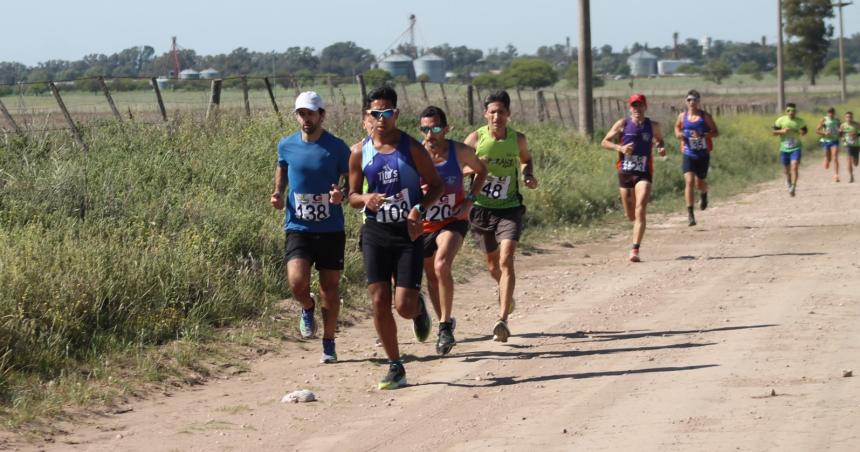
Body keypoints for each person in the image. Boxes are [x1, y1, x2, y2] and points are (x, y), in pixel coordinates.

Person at [347, 86, 443, 390]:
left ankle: (418, 308)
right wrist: (366, 198)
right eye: (375, 113)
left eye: (387, 112)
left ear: (396, 114)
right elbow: (352, 196)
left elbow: (437, 186)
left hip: (407, 233)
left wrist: (418, 209)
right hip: (375, 231)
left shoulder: (412, 148)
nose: (381, 118)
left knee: (404, 306)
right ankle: (395, 365)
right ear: (367, 115)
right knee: (378, 299)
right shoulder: (359, 152)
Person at [271, 92, 350, 364]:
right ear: (297, 116)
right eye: (301, 113)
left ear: (321, 115)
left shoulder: (337, 147)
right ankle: (307, 305)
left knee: (330, 287)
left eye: (311, 113)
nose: (306, 118)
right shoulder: (286, 145)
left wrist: (343, 194)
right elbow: (282, 168)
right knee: (296, 282)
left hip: (331, 229)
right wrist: (278, 192)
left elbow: (351, 177)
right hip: (298, 226)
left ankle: (329, 341)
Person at [464, 90, 538, 343]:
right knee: (493, 266)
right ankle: (507, 292)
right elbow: (457, 168)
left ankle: (502, 319)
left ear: (508, 114)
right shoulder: (475, 139)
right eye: (493, 112)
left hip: (510, 208)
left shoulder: (518, 139)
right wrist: (476, 166)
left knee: (506, 259)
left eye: (501, 112)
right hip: (481, 208)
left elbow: (526, 160)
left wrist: (528, 175)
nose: (497, 116)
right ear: (485, 114)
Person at [418, 106, 487, 355]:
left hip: (452, 220)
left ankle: (445, 326)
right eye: (425, 129)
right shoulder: (415, 154)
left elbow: (482, 170)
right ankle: (443, 324)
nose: (430, 134)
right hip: (424, 225)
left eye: (435, 128)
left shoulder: (459, 151)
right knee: (431, 278)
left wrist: (470, 200)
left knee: (441, 265)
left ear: (446, 129)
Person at [601, 93, 666, 262]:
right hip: (625, 171)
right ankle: (634, 225)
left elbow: (660, 140)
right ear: (630, 108)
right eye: (634, 105)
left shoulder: (653, 126)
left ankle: (635, 249)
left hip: (644, 171)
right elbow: (604, 142)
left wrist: (660, 148)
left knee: (640, 208)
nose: (637, 108)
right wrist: (620, 148)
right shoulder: (623, 124)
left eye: (640, 105)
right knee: (630, 215)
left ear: (645, 107)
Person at [673, 89, 718, 226]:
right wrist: (679, 134)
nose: (691, 102)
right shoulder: (682, 116)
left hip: (702, 154)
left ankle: (704, 193)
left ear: (698, 101)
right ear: (686, 101)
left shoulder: (705, 117)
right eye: (689, 100)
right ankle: (690, 215)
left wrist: (703, 135)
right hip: (688, 153)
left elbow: (716, 132)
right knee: (689, 181)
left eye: (694, 100)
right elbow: (677, 128)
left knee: (699, 183)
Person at [772, 103, 808, 197]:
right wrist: (782, 131)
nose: (791, 112)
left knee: (794, 166)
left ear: (796, 111)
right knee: (786, 171)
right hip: (784, 149)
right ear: (786, 111)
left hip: (796, 148)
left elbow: (804, 132)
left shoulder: (800, 121)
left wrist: (801, 132)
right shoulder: (780, 120)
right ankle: (789, 182)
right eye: (789, 110)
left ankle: (793, 186)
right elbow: (773, 132)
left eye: (793, 111)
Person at [816, 107, 841, 182]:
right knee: (828, 158)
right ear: (827, 113)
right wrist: (824, 133)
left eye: (832, 113)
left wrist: (840, 132)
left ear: (834, 113)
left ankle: (836, 175)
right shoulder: (824, 120)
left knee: (835, 157)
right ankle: (827, 160)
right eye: (829, 113)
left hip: (834, 140)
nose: (831, 114)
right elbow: (817, 131)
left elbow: (840, 130)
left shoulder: (837, 120)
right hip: (825, 141)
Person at [840, 111, 860, 183]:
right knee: (849, 160)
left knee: (856, 163)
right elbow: (840, 134)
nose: (849, 118)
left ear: (852, 117)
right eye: (847, 117)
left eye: (850, 117)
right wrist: (842, 138)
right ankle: (851, 177)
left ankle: (855, 161)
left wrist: (855, 135)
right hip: (847, 145)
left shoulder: (857, 124)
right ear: (845, 118)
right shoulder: (843, 125)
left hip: (856, 145)